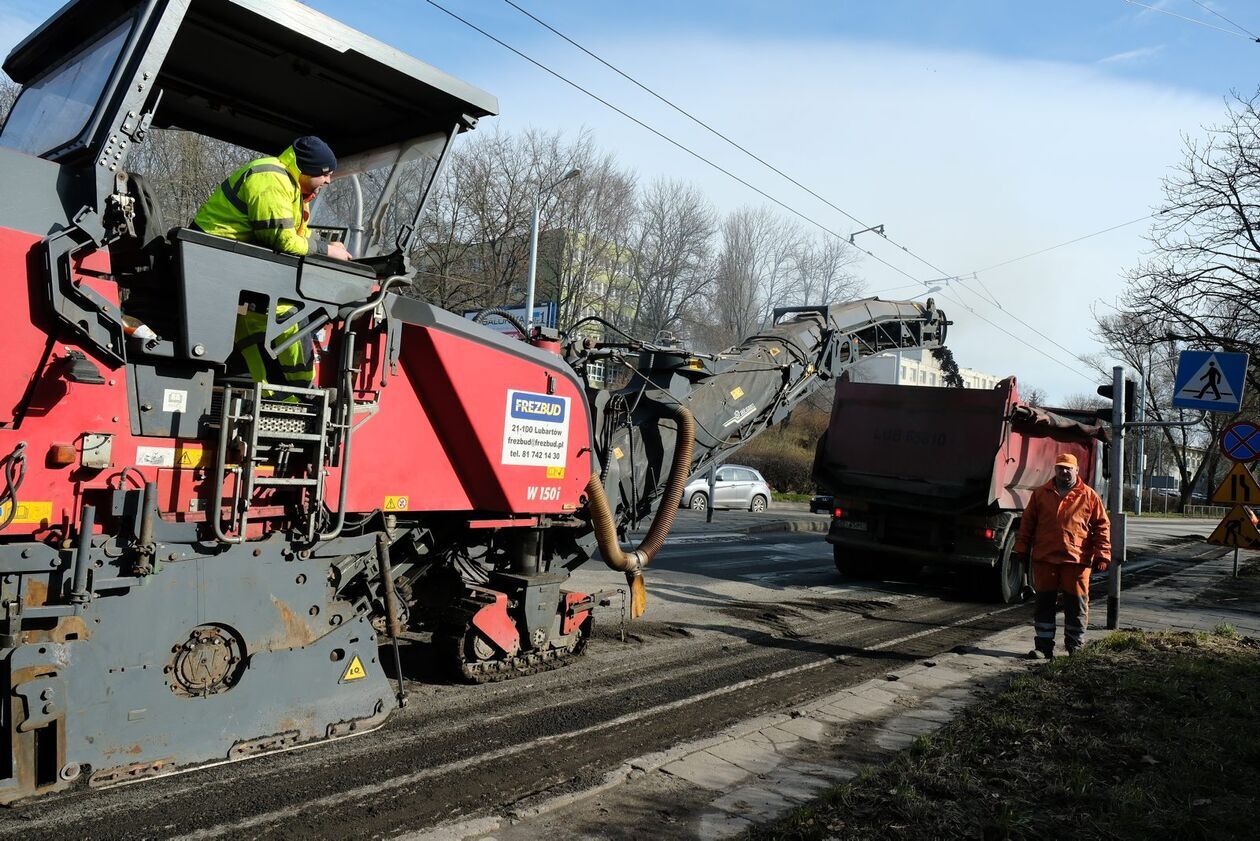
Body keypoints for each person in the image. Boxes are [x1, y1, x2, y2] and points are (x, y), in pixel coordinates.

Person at [193, 136, 350, 390]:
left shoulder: (288, 184)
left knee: (256, 317)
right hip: (215, 258)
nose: (328, 180)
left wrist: (327, 245)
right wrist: (326, 251)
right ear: (308, 168)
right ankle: (300, 391)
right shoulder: (271, 179)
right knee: (290, 311)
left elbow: (293, 231)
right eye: (326, 174)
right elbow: (278, 237)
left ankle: (265, 389)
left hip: (227, 262)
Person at [1012, 453, 1111, 658]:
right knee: (1044, 604)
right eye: (1060, 467)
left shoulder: (1090, 496)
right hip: (1045, 559)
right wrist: (1021, 546)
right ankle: (1043, 647)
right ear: (1055, 469)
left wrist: (1103, 555)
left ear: (1076, 470)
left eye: (1068, 468)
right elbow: (1027, 524)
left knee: (1076, 605)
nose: (1064, 471)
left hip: (1076, 561)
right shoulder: (1040, 494)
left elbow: (1102, 527)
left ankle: (1075, 647)